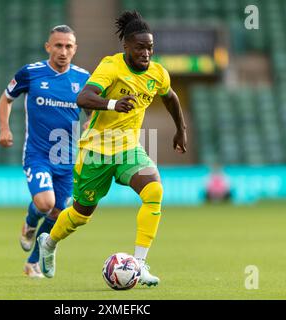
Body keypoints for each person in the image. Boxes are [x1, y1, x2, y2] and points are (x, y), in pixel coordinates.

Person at [37, 11, 187, 287]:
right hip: (96, 149)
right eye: (140, 47)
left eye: (150, 47)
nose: (146, 53)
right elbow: (83, 97)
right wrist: (112, 104)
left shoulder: (157, 73)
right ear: (126, 46)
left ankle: (139, 264)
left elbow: (170, 97)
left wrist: (181, 129)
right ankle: (49, 242)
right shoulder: (111, 66)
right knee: (81, 213)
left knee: (154, 190)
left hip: (128, 148)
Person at [0, 25, 90, 278]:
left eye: (68, 46)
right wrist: (4, 129)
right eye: (58, 45)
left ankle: (32, 263)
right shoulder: (31, 73)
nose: (63, 51)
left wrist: (90, 124)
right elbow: (6, 98)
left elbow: (92, 111)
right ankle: (29, 222)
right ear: (48, 47)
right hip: (38, 154)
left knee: (59, 212)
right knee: (45, 203)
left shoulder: (84, 78)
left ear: (75, 49)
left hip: (68, 158)